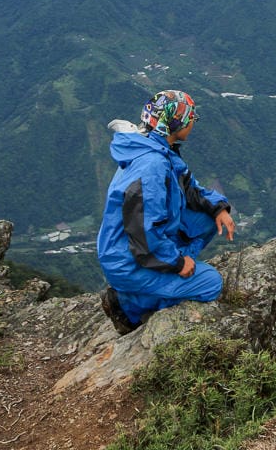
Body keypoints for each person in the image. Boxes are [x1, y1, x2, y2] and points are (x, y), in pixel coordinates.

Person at [96, 90, 235, 334]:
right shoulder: (152, 166)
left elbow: (190, 189)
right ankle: (129, 305)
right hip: (127, 261)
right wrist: (177, 263)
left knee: (208, 219)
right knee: (211, 284)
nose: (193, 123)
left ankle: (168, 274)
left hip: (134, 246)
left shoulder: (159, 149)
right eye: (191, 118)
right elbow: (143, 234)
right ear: (175, 123)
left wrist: (218, 208)